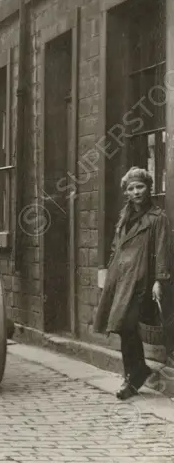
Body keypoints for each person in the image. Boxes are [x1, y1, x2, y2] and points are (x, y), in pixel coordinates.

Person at [94, 166, 171, 400]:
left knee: (126, 324)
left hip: (142, 279)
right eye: (131, 188)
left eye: (140, 187)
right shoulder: (124, 216)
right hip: (120, 278)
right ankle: (136, 372)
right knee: (122, 327)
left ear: (148, 189)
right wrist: (107, 272)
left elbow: (163, 250)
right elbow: (116, 247)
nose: (136, 192)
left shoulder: (158, 218)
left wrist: (159, 280)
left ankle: (134, 376)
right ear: (126, 192)